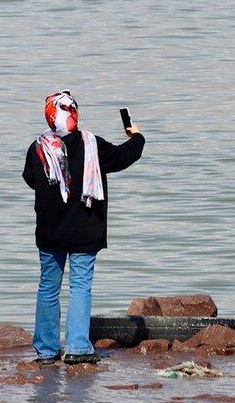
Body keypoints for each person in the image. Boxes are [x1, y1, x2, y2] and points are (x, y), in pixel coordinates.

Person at [22, 89, 145, 365]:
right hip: (85, 230)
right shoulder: (92, 144)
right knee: (80, 286)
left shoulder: (38, 148)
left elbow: (30, 179)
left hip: (50, 231)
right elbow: (124, 157)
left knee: (48, 288)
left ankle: (46, 350)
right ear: (73, 114)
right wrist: (137, 136)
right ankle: (77, 347)